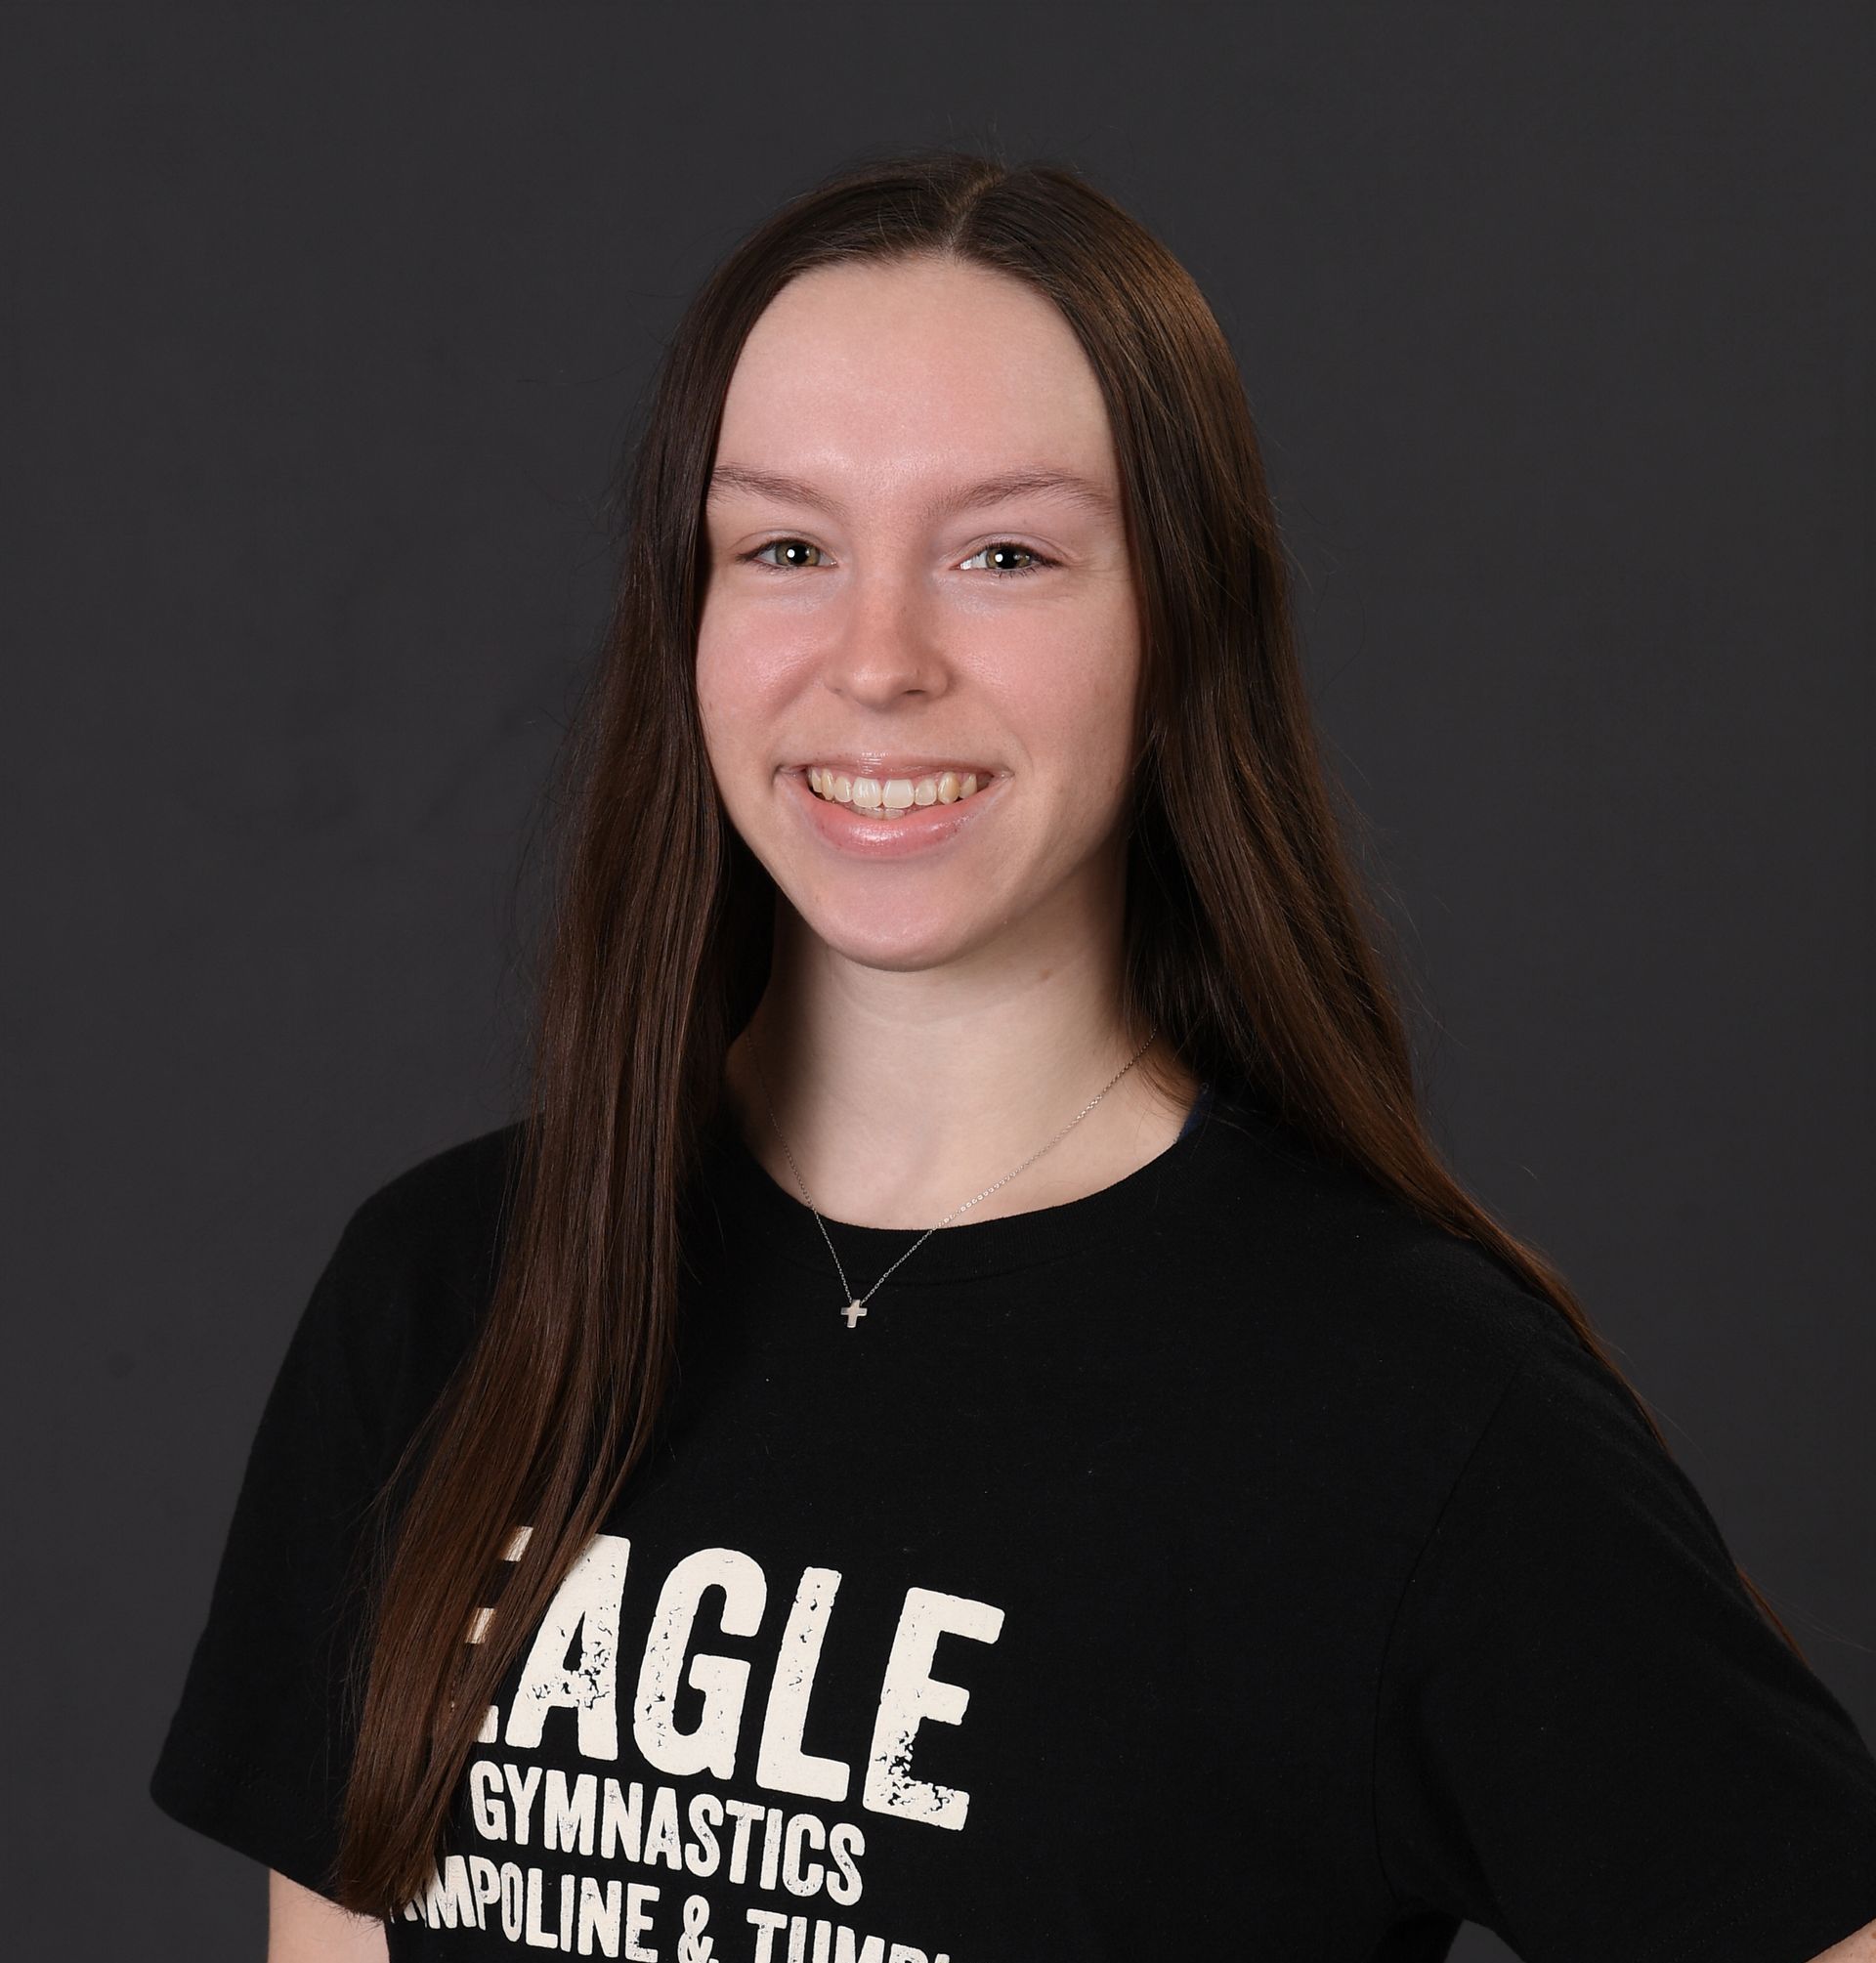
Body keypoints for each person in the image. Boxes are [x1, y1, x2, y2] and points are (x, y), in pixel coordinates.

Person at [149, 147, 1876, 1963]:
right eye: (787, 547)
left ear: (1177, 620)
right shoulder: (446, 1296)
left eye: (1004, 553)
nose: (877, 660)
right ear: (692, 616)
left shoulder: (1408, 1405)